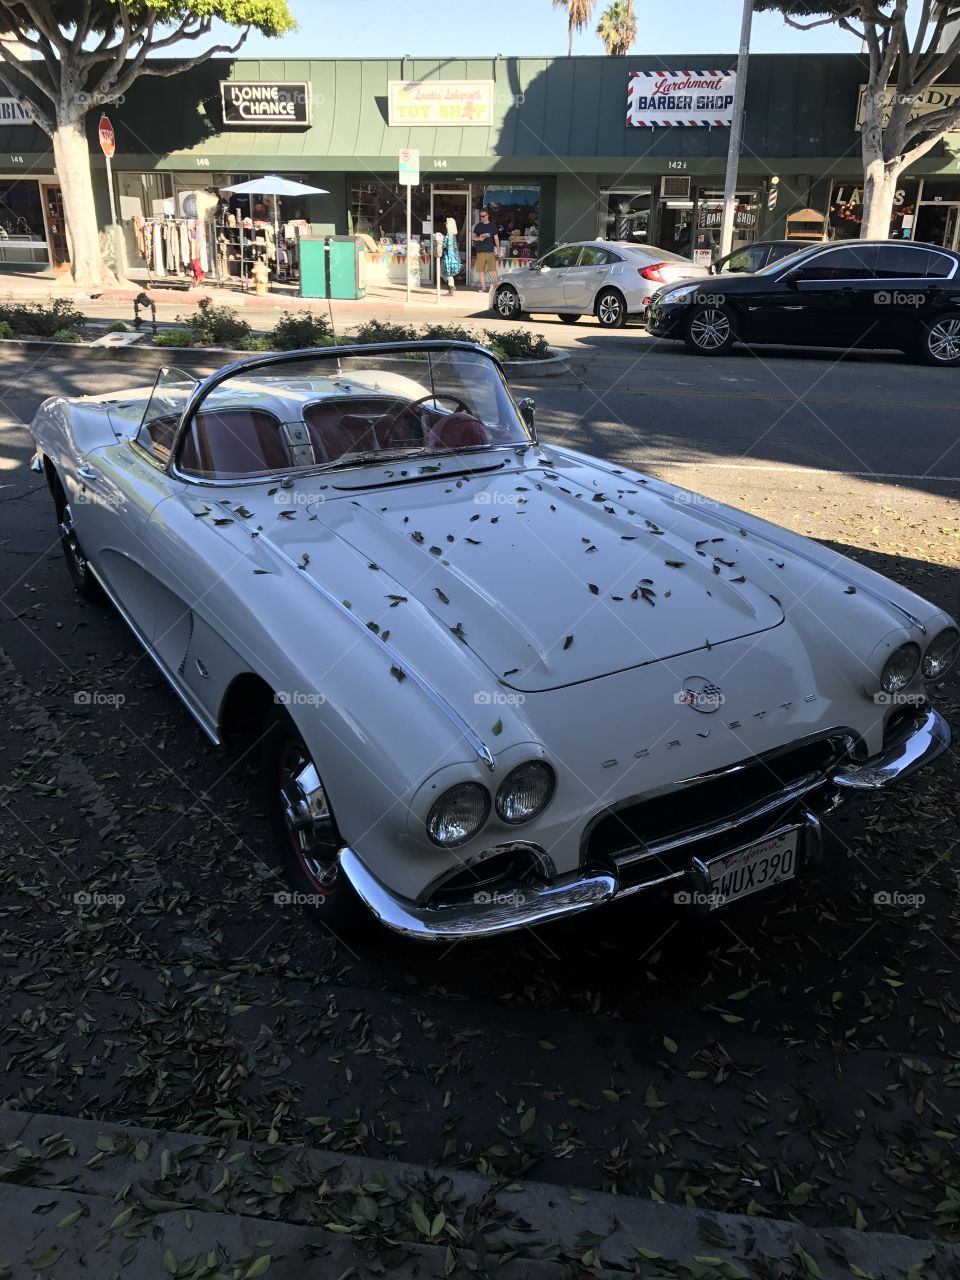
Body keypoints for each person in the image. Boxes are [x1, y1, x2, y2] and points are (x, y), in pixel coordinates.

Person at [472, 208, 499, 290]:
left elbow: (496, 238)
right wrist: (478, 238)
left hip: (490, 251)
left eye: (483, 216)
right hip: (480, 251)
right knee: (481, 271)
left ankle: (497, 286)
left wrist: (498, 248)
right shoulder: (478, 226)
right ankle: (483, 288)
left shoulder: (492, 226)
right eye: (481, 216)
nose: (482, 218)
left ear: (487, 216)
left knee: (493, 270)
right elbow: (473, 236)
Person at [441, 217, 461, 295]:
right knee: (447, 272)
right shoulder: (453, 234)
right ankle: (451, 286)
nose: (445, 224)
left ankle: (451, 287)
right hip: (453, 256)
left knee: (444, 272)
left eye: (446, 223)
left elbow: (445, 245)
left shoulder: (448, 235)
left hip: (448, 256)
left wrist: (441, 240)